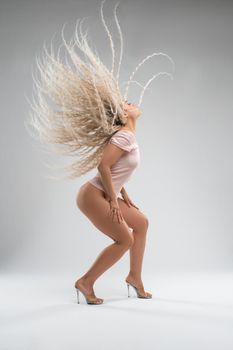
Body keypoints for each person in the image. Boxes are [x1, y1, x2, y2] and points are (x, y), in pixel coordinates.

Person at [25, 0, 174, 305]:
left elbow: (115, 170)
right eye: (127, 103)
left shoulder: (127, 135)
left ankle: (134, 277)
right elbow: (103, 167)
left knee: (142, 223)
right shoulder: (124, 135)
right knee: (125, 238)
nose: (131, 103)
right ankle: (85, 282)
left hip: (105, 193)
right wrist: (114, 201)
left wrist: (123, 195)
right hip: (94, 195)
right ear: (123, 115)